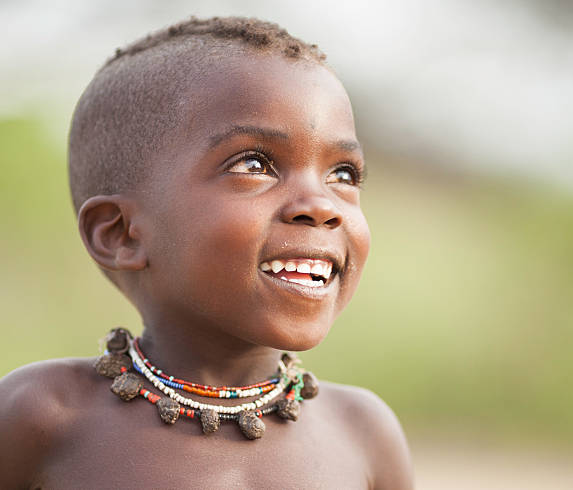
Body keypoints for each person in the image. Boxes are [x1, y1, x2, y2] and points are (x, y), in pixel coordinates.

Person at [0, 17, 413, 489]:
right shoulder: (43, 417)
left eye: (343, 173)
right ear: (122, 235)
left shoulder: (363, 432)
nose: (321, 206)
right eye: (254, 164)